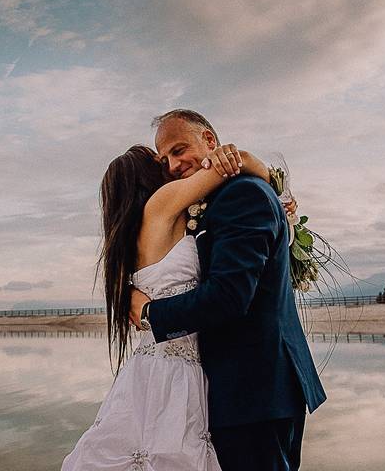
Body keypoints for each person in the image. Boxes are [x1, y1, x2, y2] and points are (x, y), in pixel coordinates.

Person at [61, 134, 273, 470]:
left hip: (151, 364)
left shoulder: (133, 235)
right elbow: (234, 164)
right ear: (146, 177)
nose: (171, 167)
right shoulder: (161, 204)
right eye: (161, 163)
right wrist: (274, 185)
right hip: (175, 371)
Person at [130, 109, 326, 471]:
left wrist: (148, 315)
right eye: (165, 159)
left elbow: (229, 297)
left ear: (209, 141)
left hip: (255, 390)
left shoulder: (243, 195)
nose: (172, 165)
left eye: (178, 149)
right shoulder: (217, 199)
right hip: (243, 392)